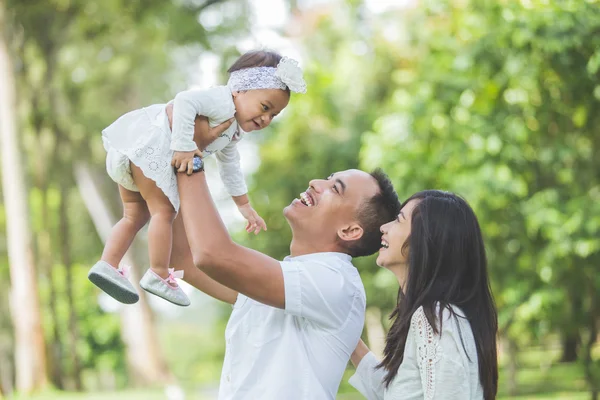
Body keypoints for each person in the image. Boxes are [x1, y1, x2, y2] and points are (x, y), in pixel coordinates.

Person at [171, 144, 401, 399]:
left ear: (349, 231)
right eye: (328, 178)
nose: (316, 183)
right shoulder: (286, 280)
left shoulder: (336, 281)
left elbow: (211, 254)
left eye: (335, 189)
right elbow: (183, 260)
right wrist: (159, 169)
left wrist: (189, 157)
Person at [88, 50, 306, 306]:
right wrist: (183, 145)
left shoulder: (233, 130)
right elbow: (184, 101)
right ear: (240, 89)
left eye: (274, 115)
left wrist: (243, 204)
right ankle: (158, 273)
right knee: (164, 213)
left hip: (136, 152)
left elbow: (230, 165)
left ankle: (107, 264)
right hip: (154, 149)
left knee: (134, 216)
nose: (266, 118)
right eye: (265, 107)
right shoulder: (222, 102)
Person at [348, 190, 498, 400]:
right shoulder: (436, 316)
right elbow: (396, 394)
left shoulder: (436, 317)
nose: (384, 227)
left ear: (425, 240)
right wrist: (345, 333)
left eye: (398, 220)